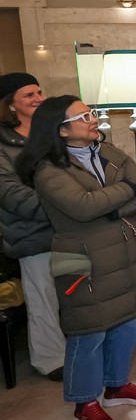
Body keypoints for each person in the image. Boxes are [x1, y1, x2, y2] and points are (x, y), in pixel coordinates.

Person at [16, 96, 136, 420]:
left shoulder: (109, 153)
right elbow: (82, 207)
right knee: (89, 330)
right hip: (83, 257)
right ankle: (84, 403)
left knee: (129, 322)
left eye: (91, 113)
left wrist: (111, 203)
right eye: (83, 116)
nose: (93, 119)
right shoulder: (48, 169)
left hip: (124, 251)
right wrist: (121, 193)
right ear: (62, 130)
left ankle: (116, 385)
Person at [0, 72, 65, 381]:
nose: (39, 98)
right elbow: (11, 194)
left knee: (72, 296)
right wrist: (65, 206)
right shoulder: (2, 143)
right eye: (29, 95)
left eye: (39, 91)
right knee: (43, 298)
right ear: (10, 105)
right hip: (30, 232)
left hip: (66, 228)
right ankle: (51, 360)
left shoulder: (49, 135)